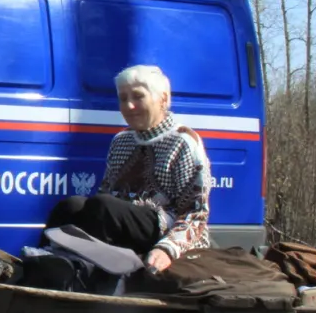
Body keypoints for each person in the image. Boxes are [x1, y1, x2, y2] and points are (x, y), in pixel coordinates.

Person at [45, 64, 212, 273]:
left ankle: (92, 274)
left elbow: (195, 214)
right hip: (118, 219)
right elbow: (105, 193)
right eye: (123, 99)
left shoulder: (184, 142)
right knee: (71, 206)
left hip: (164, 225)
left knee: (103, 206)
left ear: (163, 99)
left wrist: (167, 249)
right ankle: (44, 263)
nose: (129, 106)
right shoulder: (121, 141)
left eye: (138, 97)